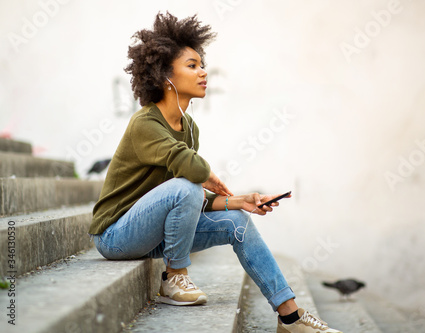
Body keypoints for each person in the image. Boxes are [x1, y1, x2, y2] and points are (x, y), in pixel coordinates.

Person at [89, 12, 341, 333]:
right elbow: (189, 174)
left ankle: (290, 317)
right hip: (115, 235)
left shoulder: (189, 128)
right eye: (192, 66)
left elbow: (188, 199)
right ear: (165, 76)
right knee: (188, 186)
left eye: (202, 64)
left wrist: (240, 201)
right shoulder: (145, 123)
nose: (203, 72)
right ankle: (175, 277)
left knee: (237, 222)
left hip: (152, 231)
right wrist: (205, 175)